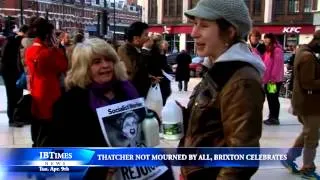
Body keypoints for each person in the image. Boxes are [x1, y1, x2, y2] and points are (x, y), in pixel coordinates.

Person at [45, 38, 174, 180]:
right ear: (83, 67)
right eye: (97, 62)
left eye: (109, 60)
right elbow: (61, 150)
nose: (106, 65)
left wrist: (152, 118)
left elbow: (142, 118)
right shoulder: (69, 102)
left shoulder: (126, 89)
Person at [179, 0, 265, 179]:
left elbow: (241, 158)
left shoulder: (241, 80)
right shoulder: (217, 69)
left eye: (204, 25)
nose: (194, 33)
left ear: (230, 32)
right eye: (194, 24)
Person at [281, 30, 320, 179]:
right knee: (312, 137)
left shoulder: (304, 52)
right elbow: (308, 83)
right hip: (309, 104)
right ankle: (307, 168)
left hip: (308, 102)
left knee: (308, 133)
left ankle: (289, 158)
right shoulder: (307, 57)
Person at [25, 17, 68, 147]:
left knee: (37, 121)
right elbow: (64, 66)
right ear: (48, 35)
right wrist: (58, 49)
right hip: (50, 90)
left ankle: (36, 144)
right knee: (50, 124)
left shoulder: (30, 50)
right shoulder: (48, 53)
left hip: (35, 89)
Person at [1, 24, 29, 127]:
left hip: (9, 71)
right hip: (11, 71)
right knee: (14, 95)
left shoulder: (11, 39)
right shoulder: (18, 40)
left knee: (14, 95)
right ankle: (14, 119)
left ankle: (15, 118)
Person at [118, 22, 150, 98]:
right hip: (132, 96)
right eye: (145, 35)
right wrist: (146, 49)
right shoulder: (124, 50)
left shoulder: (136, 49)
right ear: (136, 38)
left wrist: (149, 77)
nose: (148, 38)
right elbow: (131, 71)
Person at [262, 33, 284, 125]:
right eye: (265, 38)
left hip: (273, 81)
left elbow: (277, 66)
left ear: (271, 39)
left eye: (267, 38)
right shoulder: (268, 50)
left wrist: (273, 78)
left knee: (273, 98)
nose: (266, 40)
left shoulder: (277, 50)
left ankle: (274, 118)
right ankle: (271, 117)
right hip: (268, 80)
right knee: (270, 98)